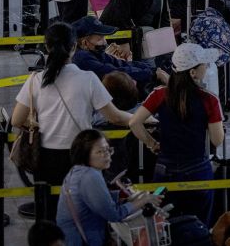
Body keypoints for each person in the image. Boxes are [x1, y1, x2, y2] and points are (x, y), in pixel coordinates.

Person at [12, 22, 132, 219]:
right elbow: (116, 117)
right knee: (82, 214)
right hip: (81, 156)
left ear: (47, 47)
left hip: (45, 159)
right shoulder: (88, 79)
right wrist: (144, 117)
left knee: (51, 213)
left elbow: (17, 119)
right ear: (74, 47)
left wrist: (41, 124)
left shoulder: (35, 79)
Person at [129, 43, 226, 225]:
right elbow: (217, 139)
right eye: (204, 64)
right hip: (198, 172)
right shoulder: (210, 99)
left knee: (163, 224)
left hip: (163, 174)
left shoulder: (159, 95)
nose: (207, 66)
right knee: (200, 224)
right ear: (193, 72)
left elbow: (134, 122)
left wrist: (151, 143)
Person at [56, 129, 158, 246]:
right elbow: (114, 214)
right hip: (81, 240)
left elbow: (95, 201)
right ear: (85, 154)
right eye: (100, 152)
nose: (107, 155)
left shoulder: (78, 171)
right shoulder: (90, 176)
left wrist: (121, 197)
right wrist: (144, 200)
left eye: (108, 150)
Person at [71, 16, 161, 93]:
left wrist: (152, 70)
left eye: (104, 38)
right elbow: (115, 72)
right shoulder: (82, 58)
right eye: (99, 39)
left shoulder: (95, 52)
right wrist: (152, 74)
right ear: (85, 43)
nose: (104, 42)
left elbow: (119, 63)